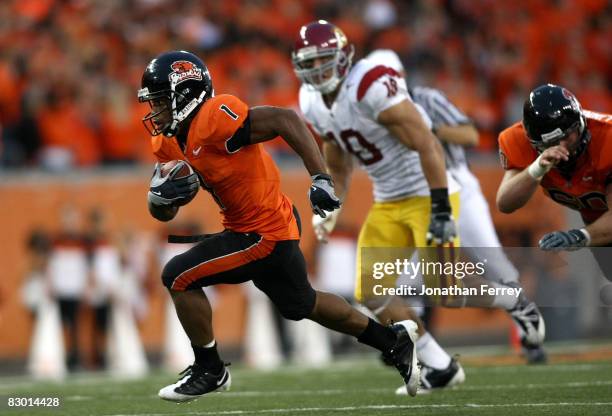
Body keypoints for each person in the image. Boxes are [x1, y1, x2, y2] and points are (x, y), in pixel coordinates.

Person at [137, 50, 420, 402]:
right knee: (302, 304)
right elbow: (163, 214)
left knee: (178, 275)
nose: (155, 111)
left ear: (185, 94)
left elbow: (285, 119)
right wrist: (159, 199)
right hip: (263, 227)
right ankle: (393, 342)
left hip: (262, 232)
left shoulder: (215, 118)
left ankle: (210, 368)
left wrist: (321, 177)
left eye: (162, 101)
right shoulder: (166, 141)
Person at [292, 21, 463, 393]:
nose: (317, 70)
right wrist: (331, 205)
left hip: (427, 190)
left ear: (341, 58)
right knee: (371, 291)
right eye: (310, 62)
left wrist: (441, 209)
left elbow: (427, 142)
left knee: (446, 286)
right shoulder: (311, 101)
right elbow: (337, 159)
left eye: (323, 60)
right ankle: (441, 366)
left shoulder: (369, 84)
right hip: (388, 200)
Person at [367, 49, 546, 364]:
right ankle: (413, 343)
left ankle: (527, 336)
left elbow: (469, 134)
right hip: (411, 196)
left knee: (497, 267)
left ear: (399, 78)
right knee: (406, 277)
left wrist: (426, 131)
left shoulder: (426, 100)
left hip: (456, 187)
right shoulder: (367, 112)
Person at [497, 84, 612, 271]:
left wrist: (578, 236)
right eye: (557, 140)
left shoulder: (607, 138)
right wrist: (536, 169)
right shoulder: (518, 141)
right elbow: (505, 202)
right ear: (536, 143)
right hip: (595, 218)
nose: (568, 143)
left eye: (571, 133)